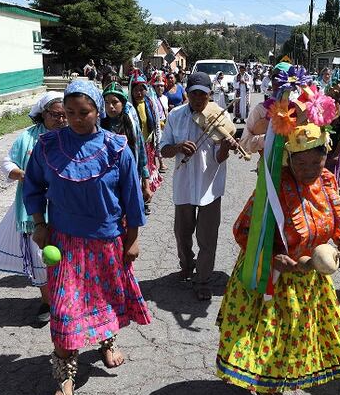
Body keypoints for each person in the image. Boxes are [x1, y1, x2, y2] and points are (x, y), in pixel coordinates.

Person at [216, 76, 340, 395]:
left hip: (310, 278)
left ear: (325, 157)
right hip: (272, 275)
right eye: (301, 163)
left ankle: (275, 378)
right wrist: (274, 256)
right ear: (289, 160)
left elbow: (333, 218)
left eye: (316, 162)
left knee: (296, 337)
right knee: (268, 334)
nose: (309, 169)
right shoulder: (274, 186)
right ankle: (265, 384)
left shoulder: (327, 181)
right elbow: (242, 230)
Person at [23, 80, 150, 395]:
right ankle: (65, 372)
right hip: (64, 244)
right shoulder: (49, 146)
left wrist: (132, 241)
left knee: (104, 300)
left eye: (84, 112)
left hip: (106, 241)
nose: (77, 118)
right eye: (70, 112)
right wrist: (39, 224)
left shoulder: (116, 147)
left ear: (98, 111)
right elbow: (33, 187)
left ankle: (107, 342)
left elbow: (132, 198)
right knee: (64, 310)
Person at [0, 92, 66, 323]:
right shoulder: (28, 138)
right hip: (35, 208)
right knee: (41, 257)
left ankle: (68, 299)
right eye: (55, 115)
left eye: (64, 114)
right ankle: (48, 301)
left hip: (66, 207)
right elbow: (7, 162)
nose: (61, 119)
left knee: (68, 254)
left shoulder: (73, 136)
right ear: (43, 115)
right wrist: (21, 174)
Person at [159, 72, 238, 301]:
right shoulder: (175, 116)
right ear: (187, 94)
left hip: (210, 187)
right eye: (193, 94)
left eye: (203, 95)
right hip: (183, 185)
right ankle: (186, 265)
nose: (198, 99)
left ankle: (203, 280)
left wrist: (225, 145)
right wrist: (178, 147)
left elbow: (220, 158)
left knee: (207, 238)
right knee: (182, 234)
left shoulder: (219, 117)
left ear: (210, 95)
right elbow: (163, 149)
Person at [102, 82, 152, 209]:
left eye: (114, 102)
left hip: (129, 176)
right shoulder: (99, 126)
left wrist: (146, 185)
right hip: (106, 181)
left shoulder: (132, 125)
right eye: (106, 102)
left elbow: (141, 154)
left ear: (123, 103)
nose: (110, 107)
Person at [240, 61, 291, 154]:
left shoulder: (299, 108)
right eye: (275, 78)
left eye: (285, 79)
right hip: (267, 167)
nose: (279, 83)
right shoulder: (261, 109)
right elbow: (244, 143)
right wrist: (266, 139)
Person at [130, 72, 163, 214]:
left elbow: (156, 124)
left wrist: (157, 146)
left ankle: (146, 201)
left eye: (141, 89)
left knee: (147, 175)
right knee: (135, 176)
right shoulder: (129, 107)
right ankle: (137, 202)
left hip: (148, 146)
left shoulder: (150, 103)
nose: (139, 93)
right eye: (136, 89)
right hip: (133, 147)